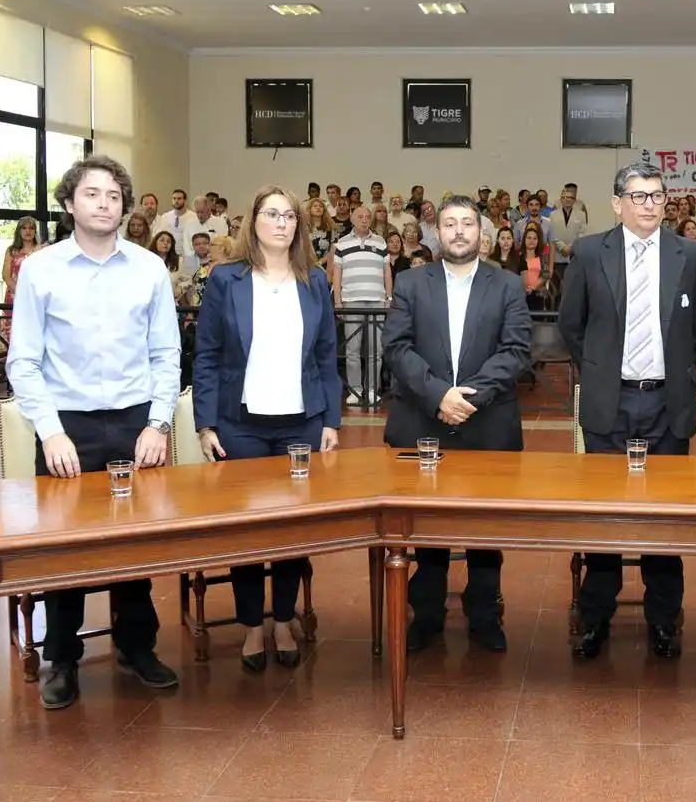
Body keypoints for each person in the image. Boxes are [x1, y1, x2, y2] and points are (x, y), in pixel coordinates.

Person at [5, 155, 181, 709]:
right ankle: (61, 657)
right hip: (67, 426)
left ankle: (138, 647)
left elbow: (166, 354)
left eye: (113, 195)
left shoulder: (149, 268)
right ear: (69, 203)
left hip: (135, 425)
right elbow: (24, 362)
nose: (104, 203)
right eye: (92, 194)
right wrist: (51, 432)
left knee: (135, 545)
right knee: (67, 550)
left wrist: (159, 422)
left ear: (124, 205)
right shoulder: (40, 269)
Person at [557, 161, 696, 660]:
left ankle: (665, 620)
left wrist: (669, 371)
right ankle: (595, 618)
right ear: (617, 202)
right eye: (638, 195)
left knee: (664, 521)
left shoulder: (689, 254)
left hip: (667, 401)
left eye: (656, 195)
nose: (649, 204)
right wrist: (602, 369)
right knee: (604, 519)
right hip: (611, 399)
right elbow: (571, 325)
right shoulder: (589, 251)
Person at [191, 185, 341, 672]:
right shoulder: (226, 279)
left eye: (290, 216)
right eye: (271, 214)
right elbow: (207, 354)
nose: (281, 223)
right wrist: (205, 422)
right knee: (250, 532)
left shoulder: (314, 281)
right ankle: (253, 625)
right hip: (240, 425)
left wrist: (332, 421)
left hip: (302, 422)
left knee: (293, 532)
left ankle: (283, 618)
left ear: (299, 226)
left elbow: (325, 356)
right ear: (251, 221)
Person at [382, 195, 531, 653]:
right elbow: (396, 347)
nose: (460, 231)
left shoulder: (507, 284)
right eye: (450, 224)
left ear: (481, 233)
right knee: (425, 531)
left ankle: (484, 613)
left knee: (486, 530)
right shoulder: (410, 282)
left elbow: (517, 349)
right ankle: (426, 614)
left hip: (487, 424)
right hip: (423, 423)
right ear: (438, 233)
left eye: (468, 223)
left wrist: (467, 397)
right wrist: (437, 395)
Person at [332, 205, 392, 406]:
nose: (364, 220)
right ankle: (355, 390)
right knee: (352, 349)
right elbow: (336, 274)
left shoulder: (381, 242)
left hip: (377, 301)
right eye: (360, 216)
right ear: (352, 218)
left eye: (368, 217)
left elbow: (387, 272)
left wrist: (389, 298)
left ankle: (373, 390)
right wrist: (338, 301)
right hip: (351, 302)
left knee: (376, 350)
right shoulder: (341, 243)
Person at [1, 216, 41, 342]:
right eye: (24, 228)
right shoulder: (11, 251)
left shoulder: (41, 250)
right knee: (13, 336)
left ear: (35, 231)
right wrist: (19, 292)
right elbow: (6, 276)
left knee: (32, 336)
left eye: (31, 228)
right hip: (13, 296)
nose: (27, 231)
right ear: (19, 231)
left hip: (35, 296)